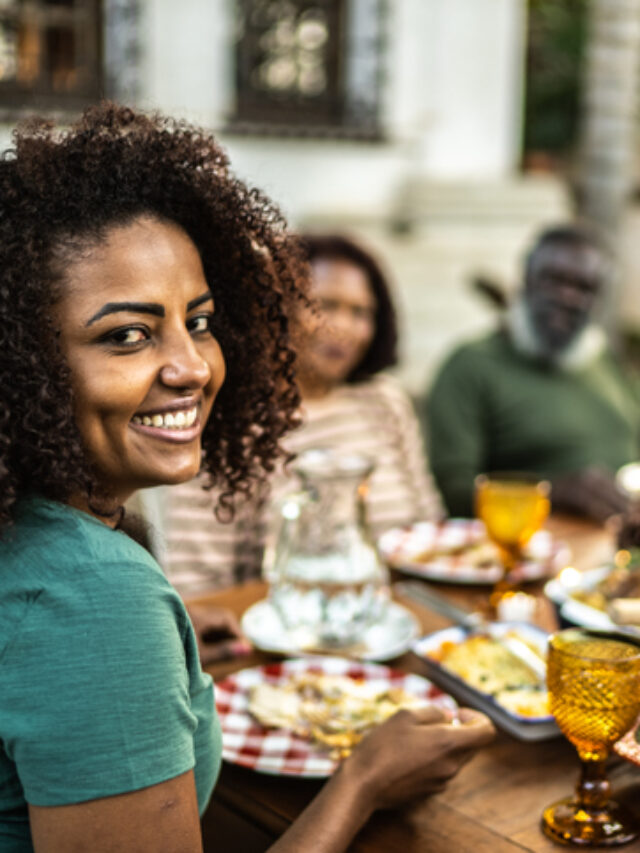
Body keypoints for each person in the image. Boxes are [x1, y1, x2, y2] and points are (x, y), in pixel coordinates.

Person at [0, 103, 494, 853]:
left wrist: (168, 645)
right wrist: (362, 780)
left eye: (197, 321)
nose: (192, 367)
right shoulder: (97, 597)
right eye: (126, 335)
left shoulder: (50, 544)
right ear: (21, 363)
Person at [164, 233, 443, 596]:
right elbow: (196, 590)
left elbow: (431, 527)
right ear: (276, 309)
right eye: (324, 305)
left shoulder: (385, 401)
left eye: (360, 312)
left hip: (404, 617)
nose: (342, 327)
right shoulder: (232, 421)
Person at [426, 224, 640, 522]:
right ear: (525, 281)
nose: (568, 296)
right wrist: (552, 493)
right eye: (554, 280)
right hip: (536, 550)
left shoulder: (606, 362)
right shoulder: (470, 366)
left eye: (584, 288)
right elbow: (452, 493)